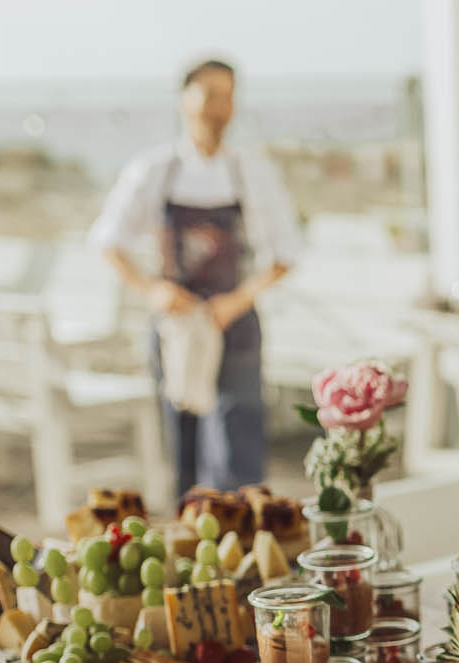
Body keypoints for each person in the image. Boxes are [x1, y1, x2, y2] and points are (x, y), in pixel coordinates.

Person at [90, 57, 302, 494]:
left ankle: (244, 539)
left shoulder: (252, 172)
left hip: (235, 322)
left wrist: (236, 301)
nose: (218, 107)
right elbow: (109, 242)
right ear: (184, 100)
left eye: (227, 96)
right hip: (175, 327)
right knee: (181, 444)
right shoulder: (153, 170)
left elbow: (284, 255)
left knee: (238, 443)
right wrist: (152, 291)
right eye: (209, 95)